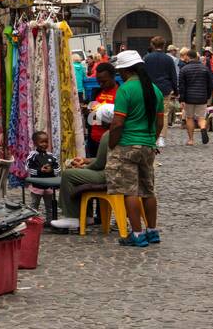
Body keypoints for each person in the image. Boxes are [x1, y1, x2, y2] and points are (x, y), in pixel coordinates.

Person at [107, 50, 165, 248]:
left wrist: (112, 143)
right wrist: (151, 139)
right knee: (148, 190)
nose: (119, 75)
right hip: (148, 146)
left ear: (126, 70)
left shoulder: (125, 90)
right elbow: (159, 122)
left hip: (127, 145)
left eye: (120, 71)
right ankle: (152, 231)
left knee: (129, 191)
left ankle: (137, 234)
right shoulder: (154, 90)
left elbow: (117, 123)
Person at [52, 107, 113, 232]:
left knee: (69, 174)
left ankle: (72, 217)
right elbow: (107, 158)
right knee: (80, 175)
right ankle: (87, 215)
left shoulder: (108, 135)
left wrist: (83, 167)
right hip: (115, 172)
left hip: (107, 174)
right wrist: (86, 161)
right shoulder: (118, 132)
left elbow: (100, 164)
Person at [143, 36, 178, 148]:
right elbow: (173, 76)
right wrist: (176, 90)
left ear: (152, 45)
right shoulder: (169, 59)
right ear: (164, 46)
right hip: (164, 89)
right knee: (164, 114)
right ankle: (161, 137)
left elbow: (143, 75)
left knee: (151, 113)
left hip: (150, 89)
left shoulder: (146, 58)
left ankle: (152, 136)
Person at [178, 49, 213, 146]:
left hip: (188, 98)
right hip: (202, 97)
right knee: (201, 118)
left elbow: (182, 86)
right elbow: (211, 84)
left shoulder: (184, 69)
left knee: (189, 118)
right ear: (196, 57)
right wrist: (207, 95)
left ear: (188, 57)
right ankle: (203, 128)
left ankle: (191, 140)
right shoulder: (205, 69)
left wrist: (181, 99)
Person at [87, 62, 119, 156]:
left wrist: (102, 120)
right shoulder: (96, 92)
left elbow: (121, 121)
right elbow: (91, 116)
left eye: (104, 81)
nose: (101, 84)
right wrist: (88, 112)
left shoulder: (121, 94)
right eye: (98, 81)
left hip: (110, 142)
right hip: (93, 140)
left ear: (113, 77)